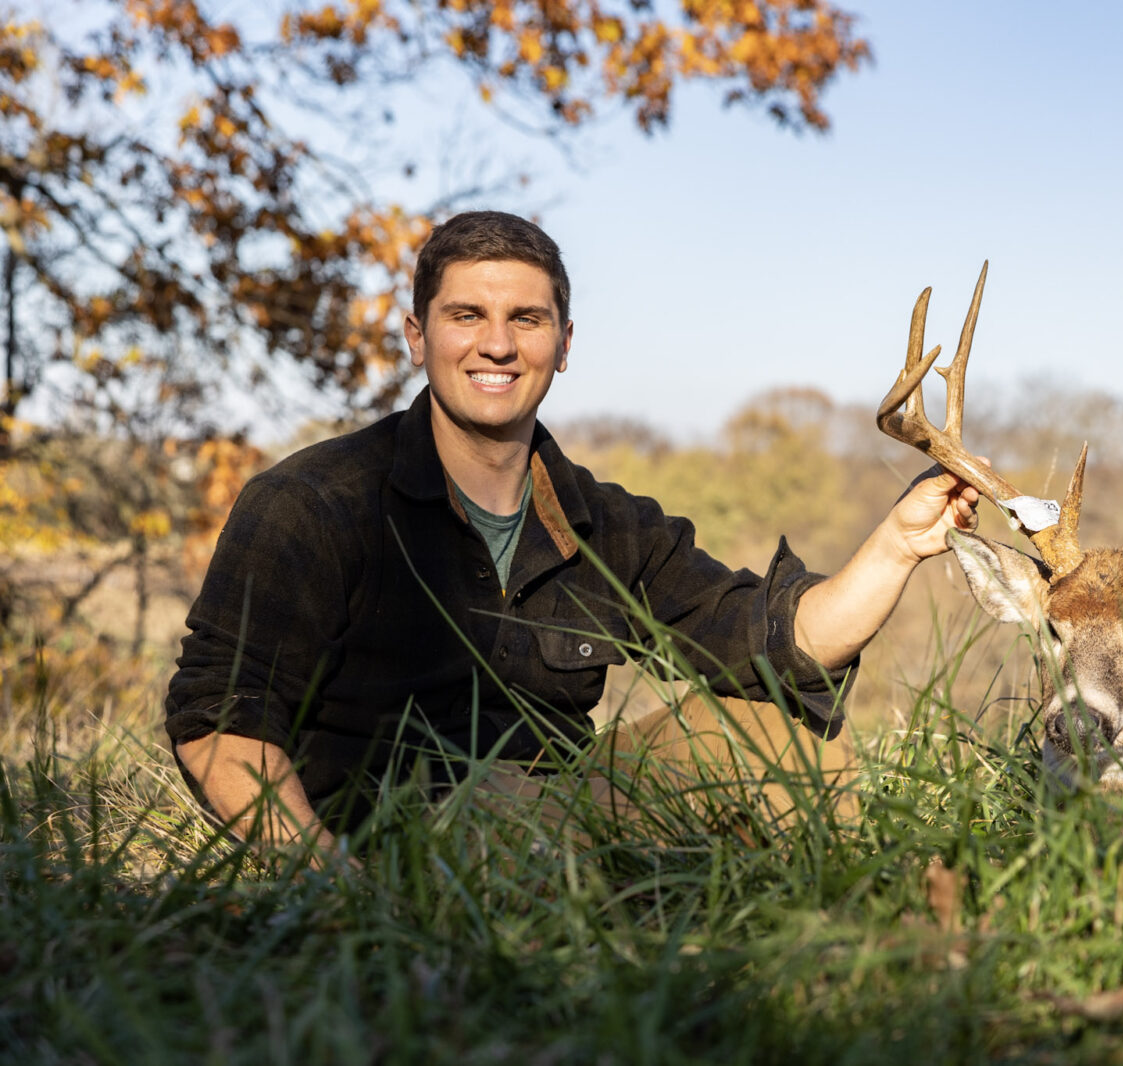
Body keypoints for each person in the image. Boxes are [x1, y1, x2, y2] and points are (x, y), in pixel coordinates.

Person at [165, 210, 978, 858]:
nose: (496, 343)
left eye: (526, 318)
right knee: (499, 809)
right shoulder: (311, 503)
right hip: (387, 839)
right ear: (418, 338)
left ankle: (822, 950)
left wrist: (899, 543)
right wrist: (326, 884)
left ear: (563, 345)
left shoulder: (603, 521)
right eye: (465, 315)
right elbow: (219, 723)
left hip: (563, 818)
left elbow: (774, 639)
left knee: (784, 733)